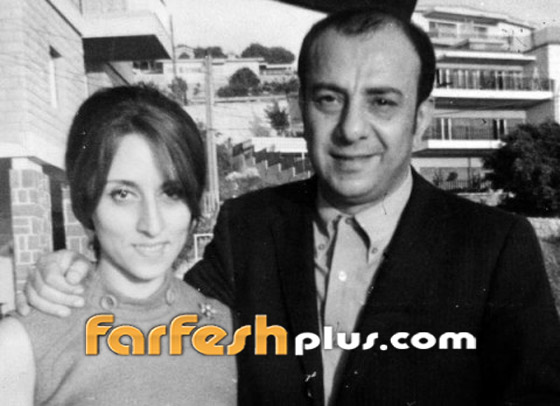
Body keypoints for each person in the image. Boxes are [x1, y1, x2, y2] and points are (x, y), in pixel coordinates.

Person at [21, 8, 560, 406]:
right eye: (329, 99)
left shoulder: (495, 246)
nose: (351, 128)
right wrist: (79, 273)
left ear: (420, 121)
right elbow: (162, 310)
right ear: (301, 109)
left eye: (381, 101)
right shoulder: (248, 226)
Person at [1, 86, 235, 405]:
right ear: (86, 201)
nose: (152, 225)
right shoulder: (20, 346)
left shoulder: (230, 331)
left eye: (171, 192)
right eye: (123, 194)